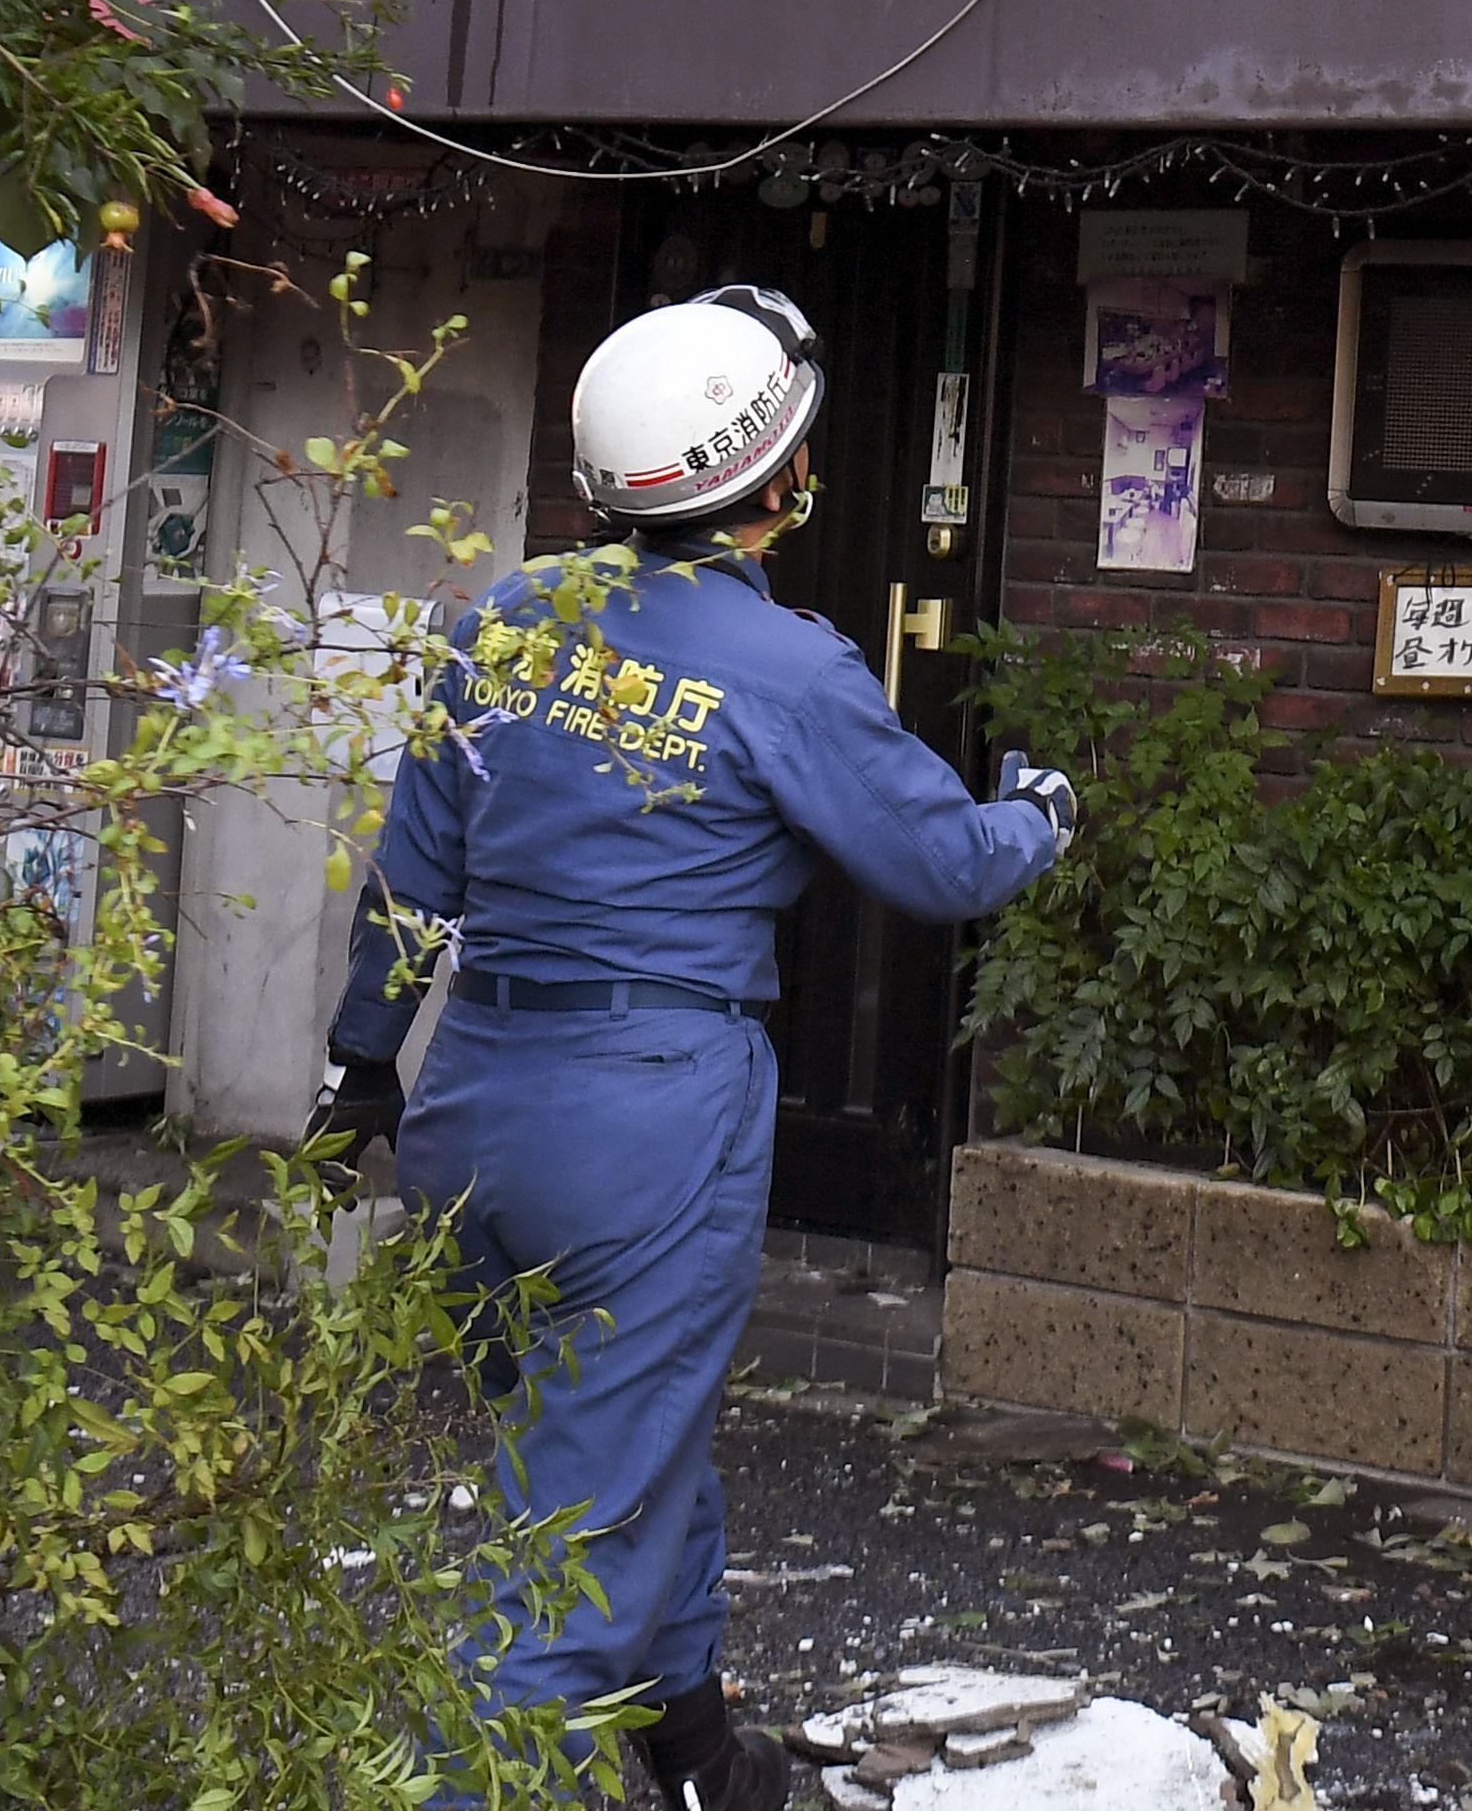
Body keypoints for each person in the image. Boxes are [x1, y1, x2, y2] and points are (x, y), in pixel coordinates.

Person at [315, 288, 1070, 1811]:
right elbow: (941, 864)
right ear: (777, 479)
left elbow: (413, 868)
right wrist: (1040, 815)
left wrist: (359, 1062)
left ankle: (704, 1754)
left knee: (613, 1435)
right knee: (575, 1537)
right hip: (653, 1121)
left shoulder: (509, 619)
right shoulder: (785, 667)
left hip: (473, 1108)